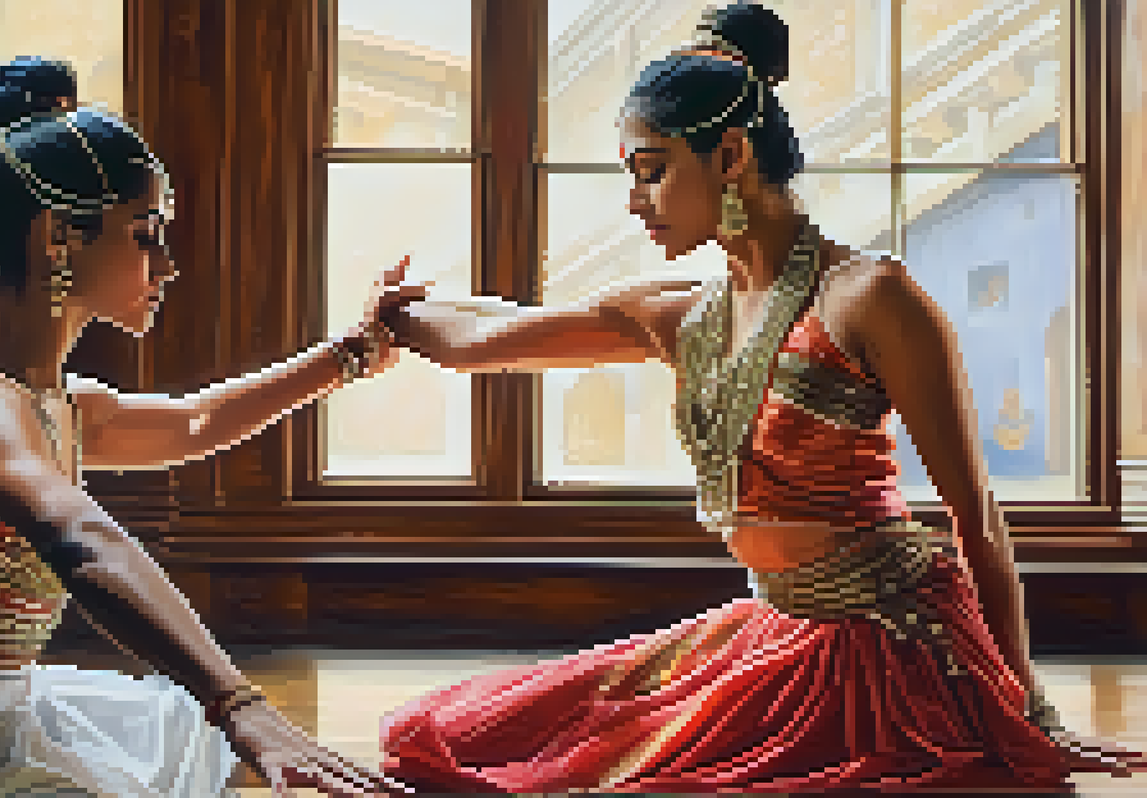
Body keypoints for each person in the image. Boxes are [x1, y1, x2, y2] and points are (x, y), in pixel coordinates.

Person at [376, 3, 1147, 793]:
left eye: (652, 170)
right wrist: (389, 316)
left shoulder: (870, 298)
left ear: (732, 154)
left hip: (892, 646)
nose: (636, 201)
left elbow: (975, 519)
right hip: (778, 628)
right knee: (496, 742)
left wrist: (1029, 714)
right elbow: (488, 337)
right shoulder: (683, 315)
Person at [0, 58, 416, 798]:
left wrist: (352, 353)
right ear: (59, 235)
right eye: (145, 233)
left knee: (171, 740)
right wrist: (240, 708)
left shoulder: (57, 405)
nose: (167, 264)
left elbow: (196, 421)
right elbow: (84, 544)